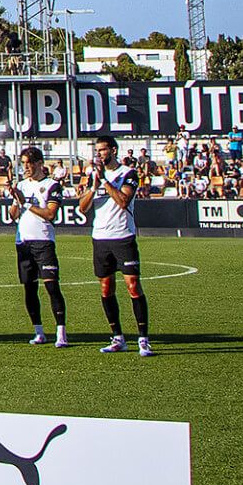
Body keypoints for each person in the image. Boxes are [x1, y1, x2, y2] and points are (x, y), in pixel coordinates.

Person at [77, 135, 153, 357]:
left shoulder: (128, 174)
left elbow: (123, 201)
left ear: (113, 150)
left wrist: (104, 181)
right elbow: (82, 208)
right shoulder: (94, 176)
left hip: (123, 237)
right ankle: (117, 337)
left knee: (133, 286)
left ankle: (143, 339)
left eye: (103, 150)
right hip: (100, 238)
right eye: (97, 151)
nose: (99, 154)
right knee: (106, 288)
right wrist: (93, 187)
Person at [7, 145, 68, 347]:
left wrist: (25, 203)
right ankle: (39, 332)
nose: (26, 167)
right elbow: (13, 215)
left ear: (40, 163)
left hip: (43, 241)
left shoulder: (52, 185)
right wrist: (15, 198)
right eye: (23, 163)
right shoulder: (21, 185)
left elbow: (50, 214)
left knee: (52, 286)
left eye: (29, 163)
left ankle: (61, 333)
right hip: (23, 242)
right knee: (29, 288)